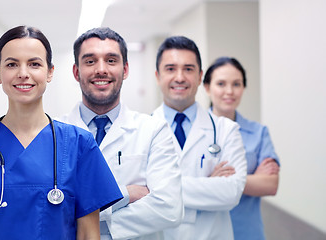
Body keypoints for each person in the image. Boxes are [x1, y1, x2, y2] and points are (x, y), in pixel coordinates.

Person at [0, 25, 123, 240]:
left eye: (34, 64)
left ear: (49, 72)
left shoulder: (80, 144)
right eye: (12, 64)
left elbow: (89, 235)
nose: (23, 74)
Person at [58, 27, 183, 240]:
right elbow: (51, 207)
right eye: (90, 61)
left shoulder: (153, 130)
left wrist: (89, 219)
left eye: (111, 60)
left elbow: (169, 209)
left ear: (125, 70)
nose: (101, 69)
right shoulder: (54, 133)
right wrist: (126, 194)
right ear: (76, 72)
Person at [152, 36, 247, 240]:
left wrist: (156, 187)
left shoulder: (226, 130)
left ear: (200, 76)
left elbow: (231, 192)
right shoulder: (140, 131)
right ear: (158, 76)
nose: (180, 77)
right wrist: (206, 184)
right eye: (170, 69)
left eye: (188, 69)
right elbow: (132, 195)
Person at [203, 56, 280, 240]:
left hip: (247, 232)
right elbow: (183, 182)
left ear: (243, 87)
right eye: (221, 83)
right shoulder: (193, 130)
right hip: (205, 231)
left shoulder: (258, 132)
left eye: (236, 84)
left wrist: (215, 181)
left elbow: (271, 185)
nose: (229, 91)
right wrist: (250, 180)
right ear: (207, 87)